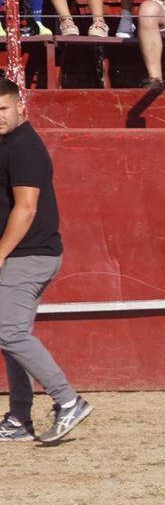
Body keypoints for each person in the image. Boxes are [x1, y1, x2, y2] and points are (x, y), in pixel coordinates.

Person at [0, 77, 92, 446]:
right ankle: (20, 417)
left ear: (20, 105)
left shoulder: (24, 148)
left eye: (3, 109)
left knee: (8, 331)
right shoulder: (9, 143)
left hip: (29, 255)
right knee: (9, 335)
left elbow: (26, 208)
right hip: (23, 253)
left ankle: (68, 400)